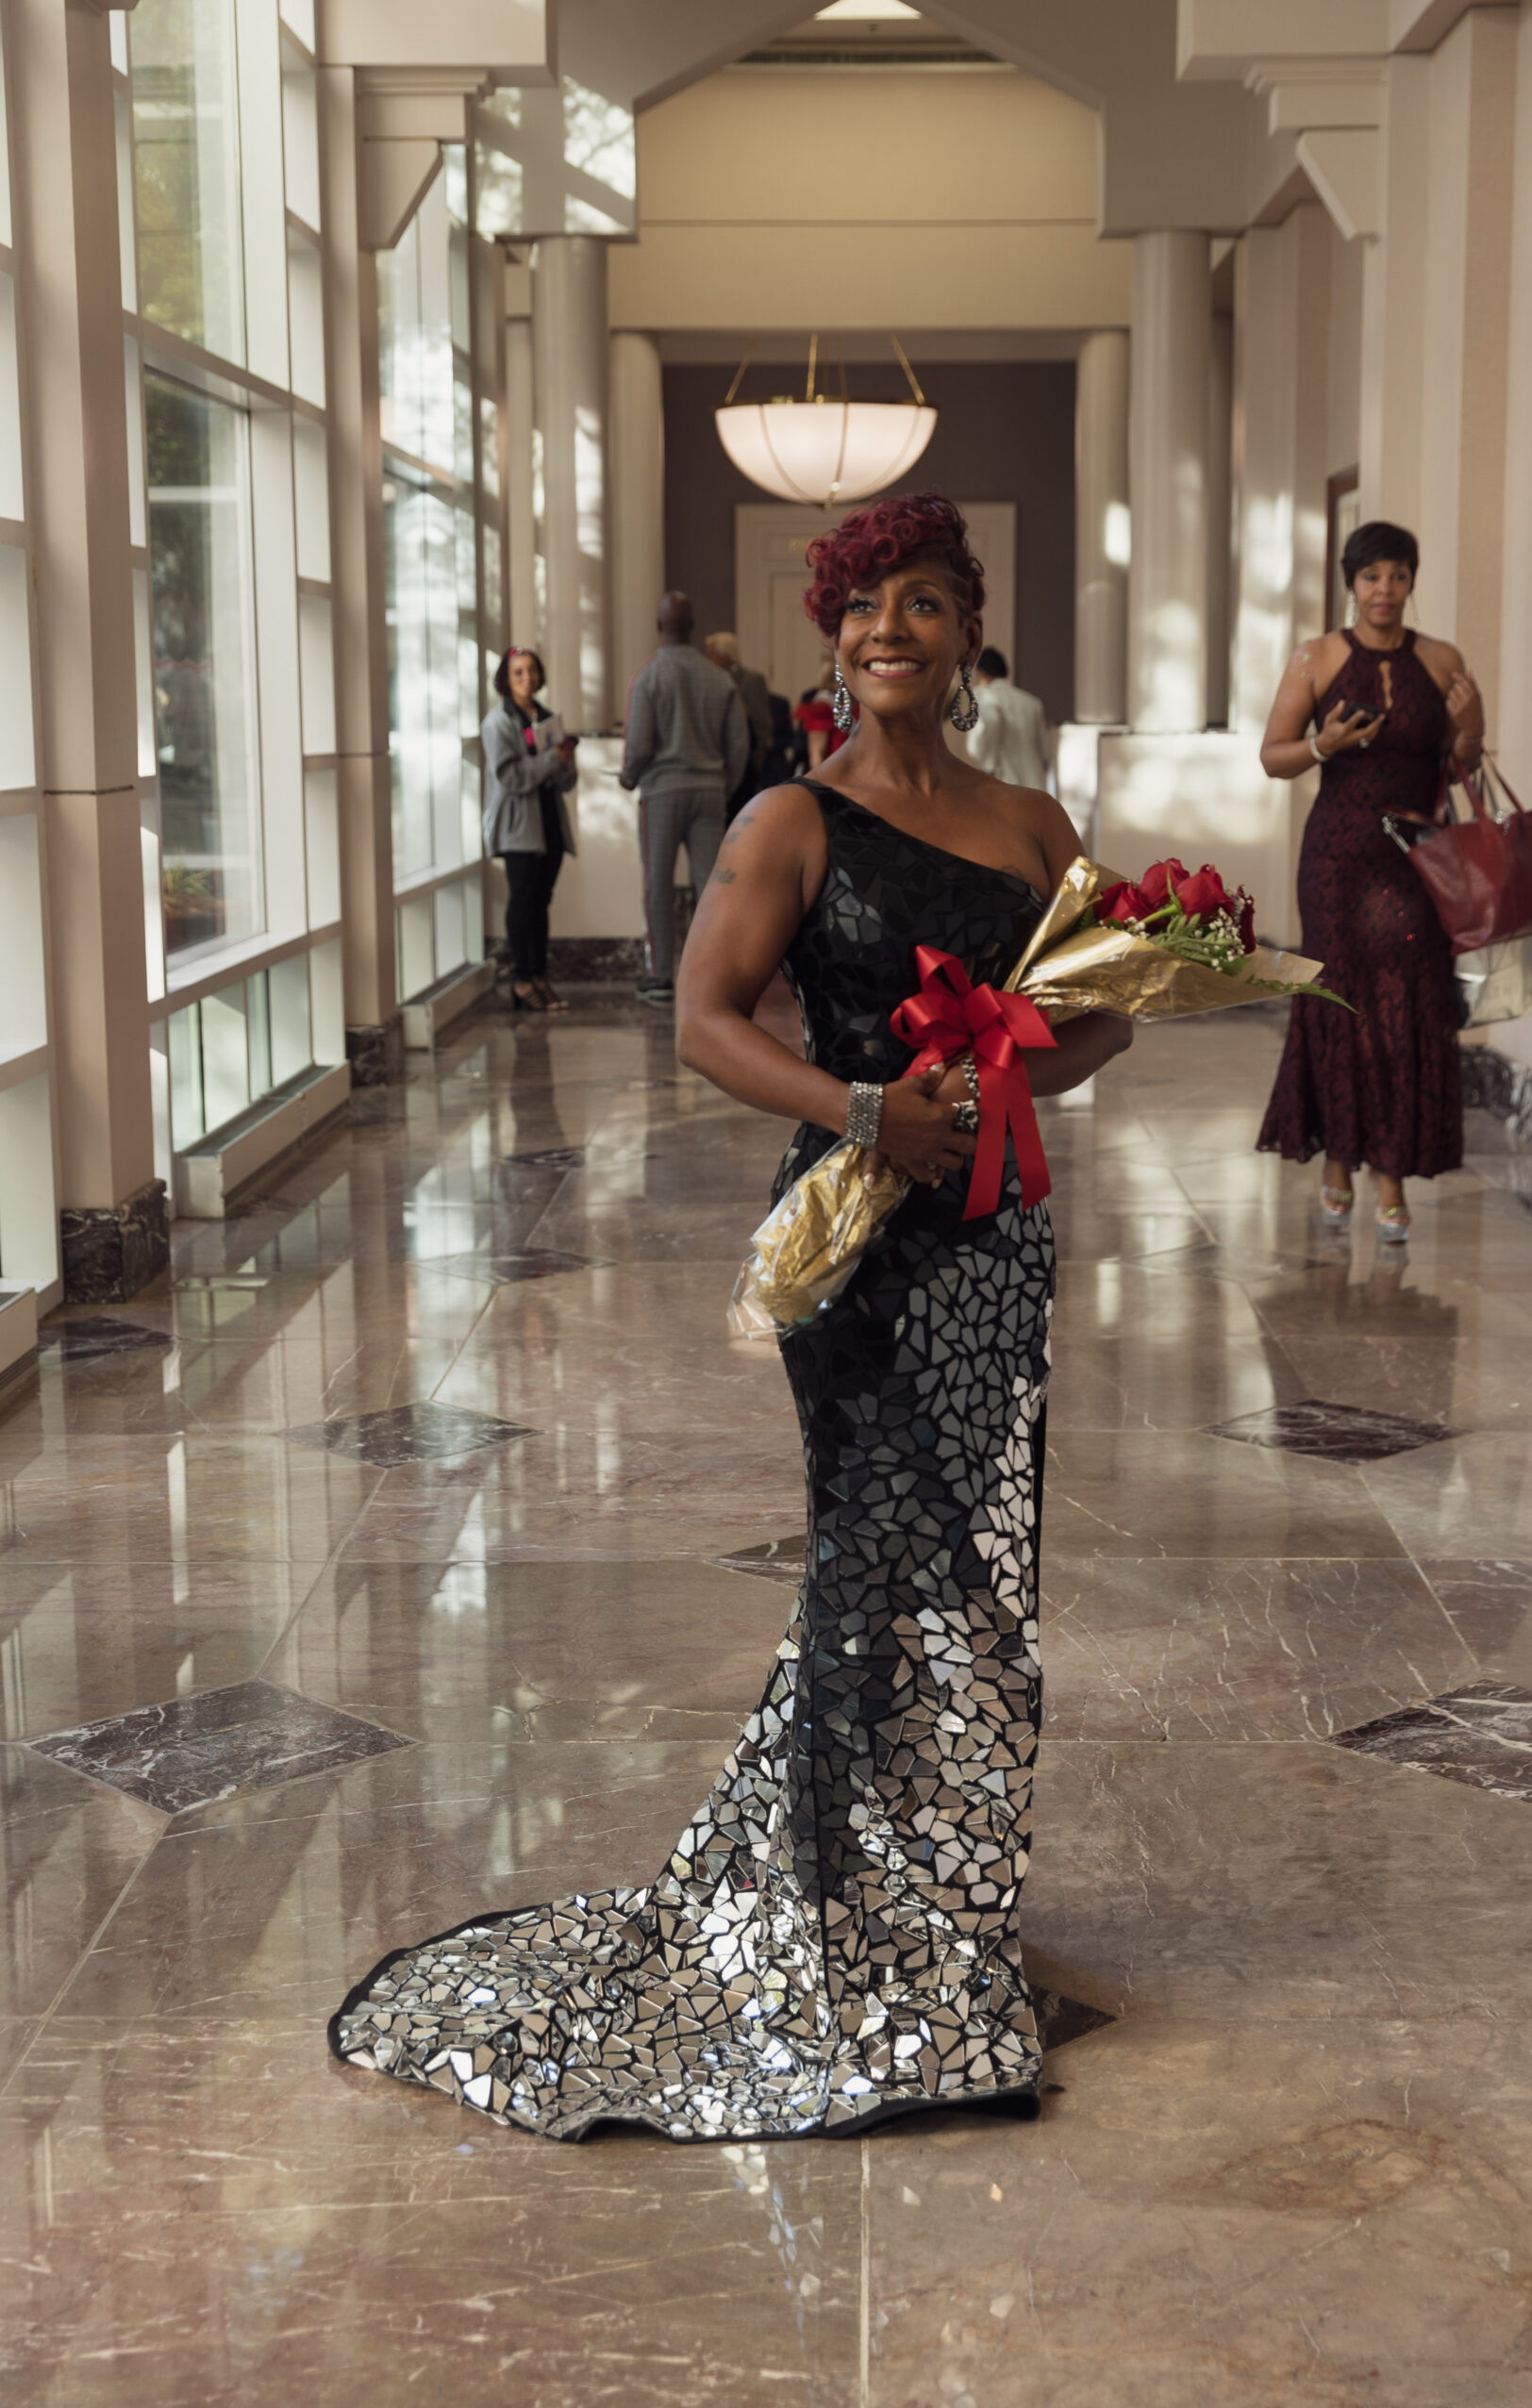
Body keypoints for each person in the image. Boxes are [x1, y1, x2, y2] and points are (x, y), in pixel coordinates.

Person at [329, 490, 1133, 2141]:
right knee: (872, 1557)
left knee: (979, 1576)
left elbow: (1100, 1015)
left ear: (970, 629)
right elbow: (702, 1021)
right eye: (862, 606)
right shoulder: (790, 818)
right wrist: (863, 1110)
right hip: (858, 1235)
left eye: (921, 601)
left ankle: (935, 1903)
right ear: (827, 634)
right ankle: (835, 1918)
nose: (887, 629)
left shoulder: (1038, 824)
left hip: (995, 1239)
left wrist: (1008, 1064)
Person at [1257, 520, 1485, 1237]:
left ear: (1411, 581)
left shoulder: (1442, 658)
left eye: (1396, 575)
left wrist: (1470, 728)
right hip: (1335, 856)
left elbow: (1461, 766)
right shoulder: (1316, 658)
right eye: (1370, 577)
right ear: (1350, 584)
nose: (1383, 589)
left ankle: (1388, 1170)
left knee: (1405, 1005)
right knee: (1338, 999)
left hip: (1414, 860)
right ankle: (1337, 1160)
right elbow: (1273, 756)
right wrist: (1321, 745)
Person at [620, 591, 748, 1006]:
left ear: (660, 627)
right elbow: (740, 747)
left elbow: (638, 747)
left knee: (657, 883)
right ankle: (713, 977)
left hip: (661, 793)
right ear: (692, 627)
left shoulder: (648, 678)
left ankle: (660, 978)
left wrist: (628, 777)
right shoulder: (720, 678)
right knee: (710, 886)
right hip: (709, 791)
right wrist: (722, 785)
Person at [480, 646, 577, 1013]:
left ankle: (539, 975)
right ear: (506, 678)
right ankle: (521, 979)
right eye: (518, 672)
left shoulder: (549, 718)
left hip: (549, 822)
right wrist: (554, 759)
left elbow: (567, 780)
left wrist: (565, 760)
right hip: (519, 827)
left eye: (532, 670)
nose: (527, 678)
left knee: (541, 902)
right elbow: (511, 777)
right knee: (522, 902)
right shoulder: (498, 723)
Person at [967, 645, 1057, 794]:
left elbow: (980, 741)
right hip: (1035, 787)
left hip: (1004, 785)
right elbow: (1046, 753)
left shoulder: (984, 696)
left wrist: (989, 765)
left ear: (982, 673)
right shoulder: (1032, 703)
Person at [705, 630, 773, 821]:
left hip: (745, 766)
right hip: (718, 768)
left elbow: (762, 724)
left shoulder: (751, 680)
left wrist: (754, 763)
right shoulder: (709, 682)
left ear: (726, 655)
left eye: (710, 653)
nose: (707, 658)